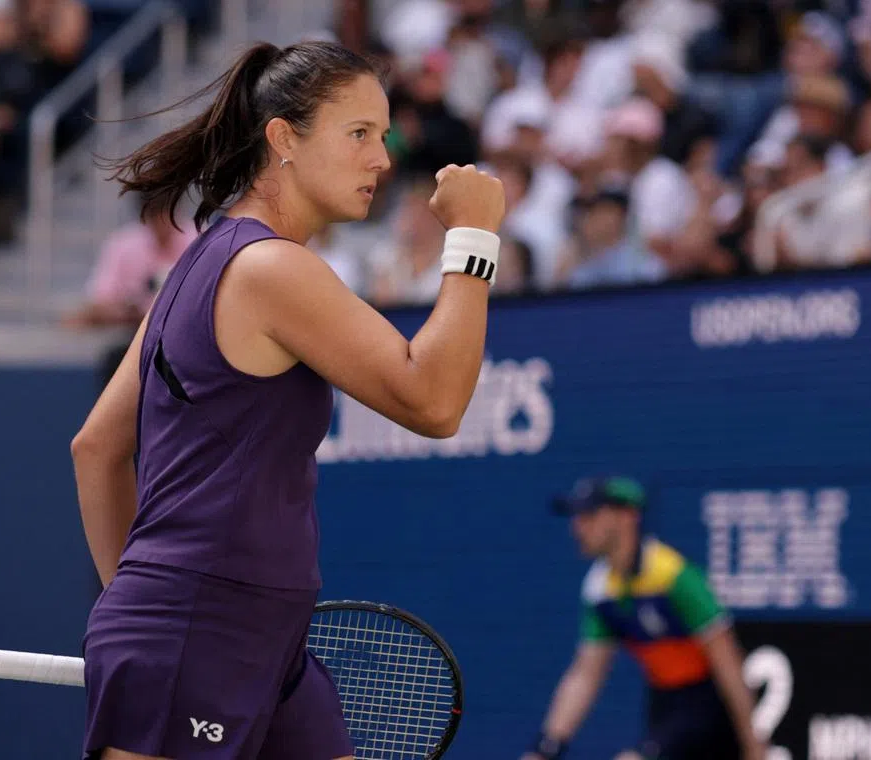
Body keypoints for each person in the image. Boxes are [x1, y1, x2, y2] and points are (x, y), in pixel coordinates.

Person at [69, 40, 505, 760]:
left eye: (384, 135)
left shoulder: (199, 264)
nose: (382, 159)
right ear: (284, 140)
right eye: (358, 133)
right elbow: (434, 402)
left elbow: (95, 449)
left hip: (257, 638)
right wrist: (474, 238)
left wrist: (138, 607)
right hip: (203, 626)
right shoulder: (271, 269)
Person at [521, 477, 765, 760]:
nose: (578, 527)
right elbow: (586, 674)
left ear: (627, 516)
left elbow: (728, 663)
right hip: (663, 707)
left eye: (590, 515)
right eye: (577, 517)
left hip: (709, 707)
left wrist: (753, 742)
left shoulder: (675, 577)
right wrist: (546, 747)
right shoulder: (600, 589)